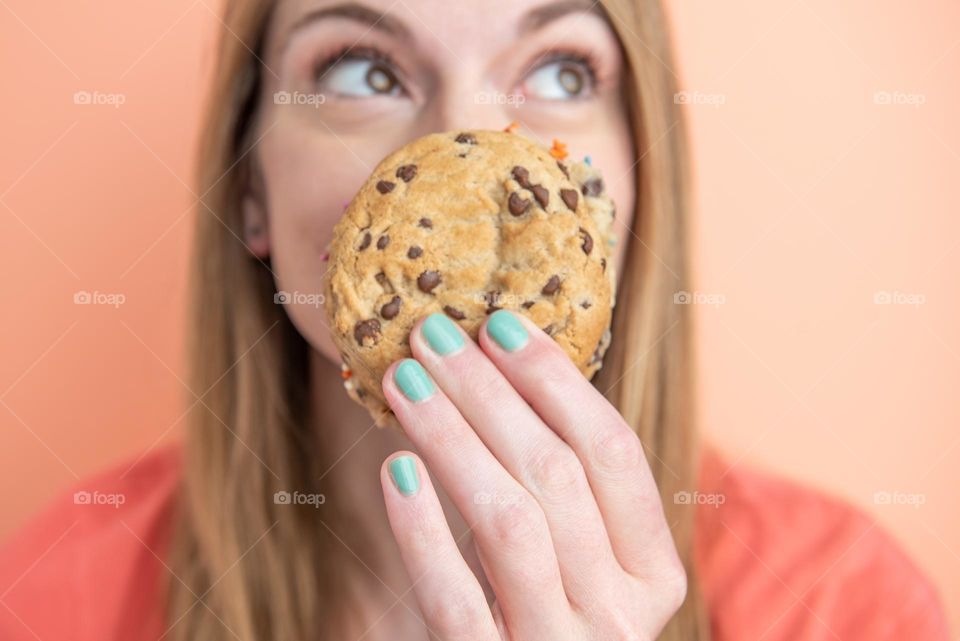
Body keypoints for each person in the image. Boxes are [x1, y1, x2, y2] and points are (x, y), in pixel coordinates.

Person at [0, 1, 950, 639]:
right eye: (364, 70)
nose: (465, 147)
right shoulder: (61, 591)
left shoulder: (838, 602)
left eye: (562, 72)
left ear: (634, 179)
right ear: (249, 184)